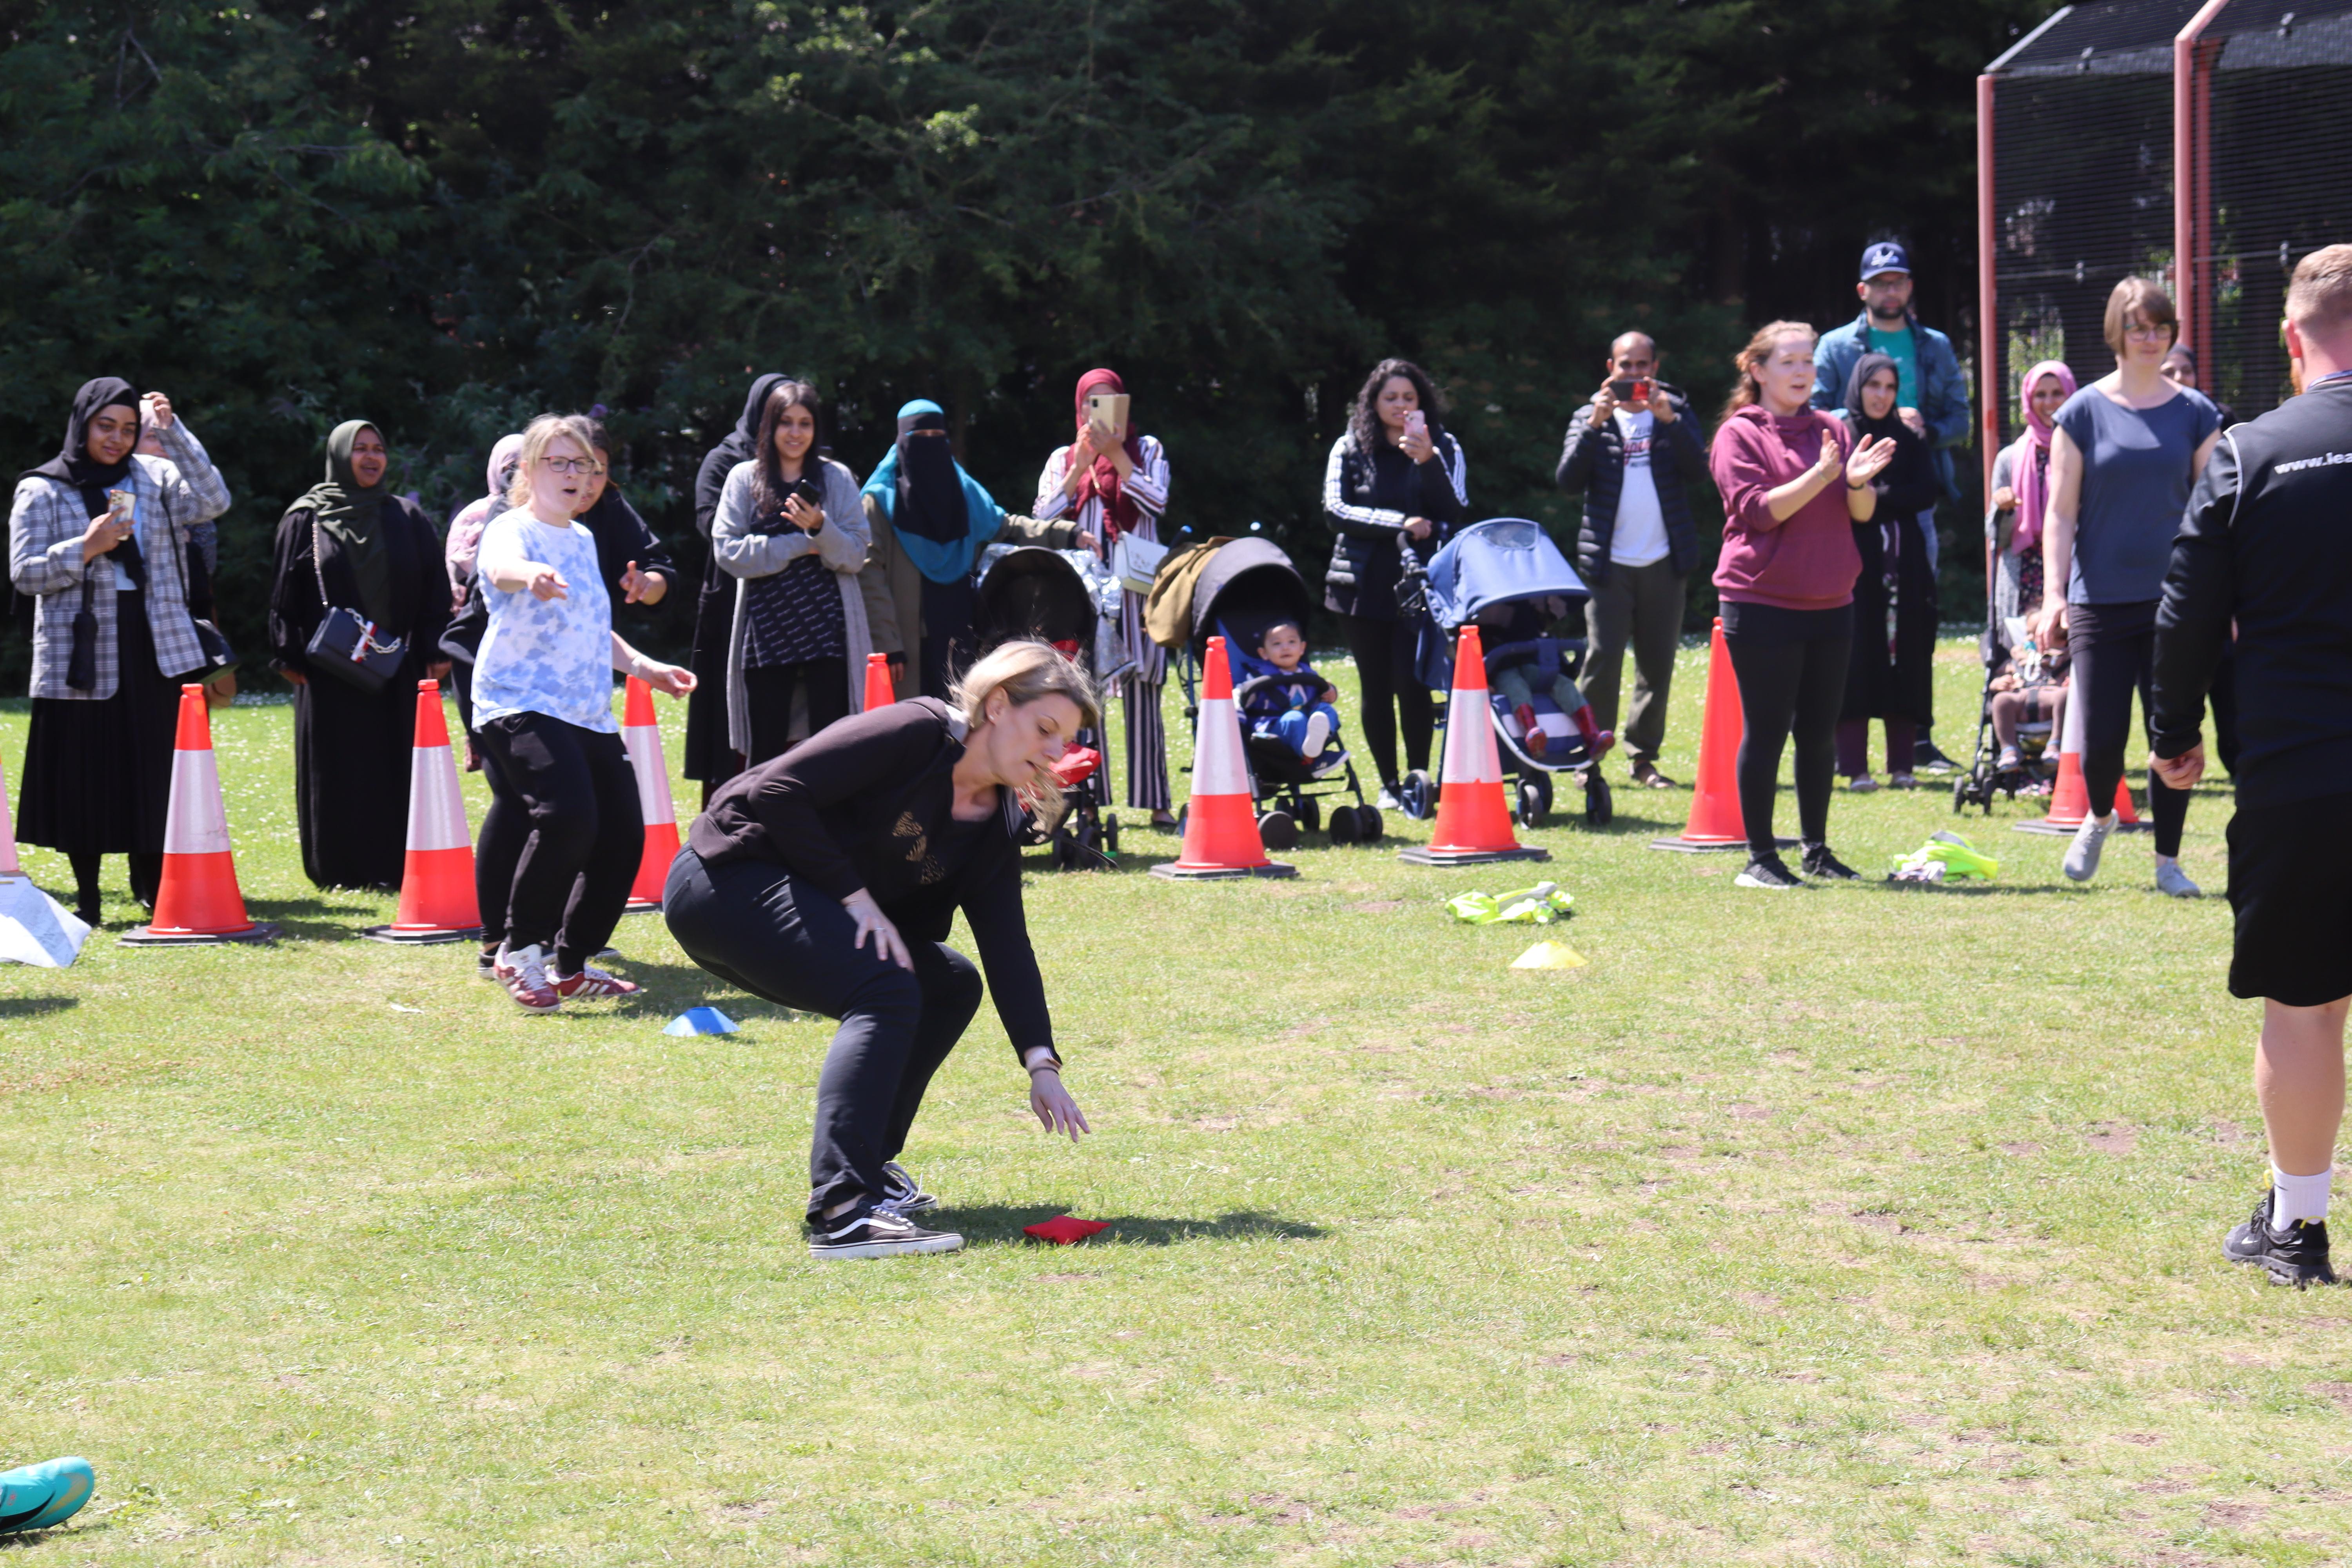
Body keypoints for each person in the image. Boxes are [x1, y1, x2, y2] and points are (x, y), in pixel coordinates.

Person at [663, 639, 1097, 1260]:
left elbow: (1008, 946)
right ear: (999, 706)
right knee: (888, 985)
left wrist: (1041, 1066)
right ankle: (844, 1210)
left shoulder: (996, 823)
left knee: (950, 985)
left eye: (1065, 740)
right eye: (1045, 729)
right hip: (722, 880)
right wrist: (856, 898)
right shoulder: (917, 731)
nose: (1055, 752)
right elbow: (778, 791)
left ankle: (868, 1170)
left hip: (786, 911)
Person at [2149, 243, 2352, 1288]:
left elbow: (2186, 612)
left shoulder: (2249, 454)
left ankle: (2298, 1230)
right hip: (2300, 766)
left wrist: (2172, 735)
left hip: (2302, 770)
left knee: (2304, 1003)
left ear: (2289, 340)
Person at [472, 414, 695, 1012]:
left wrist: (646, 668)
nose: (575, 475)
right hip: (518, 700)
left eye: (585, 465)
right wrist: (530, 574)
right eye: (560, 463)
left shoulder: (584, 539)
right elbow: (498, 570)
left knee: (623, 834)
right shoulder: (511, 527)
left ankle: (571, 965)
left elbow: (593, 626)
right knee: (568, 816)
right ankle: (519, 951)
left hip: (586, 709)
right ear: (529, 469)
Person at [8, 380, 230, 927]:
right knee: (86, 775)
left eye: (129, 429)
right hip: (81, 651)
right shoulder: (41, 488)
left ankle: (154, 891)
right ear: (83, 423)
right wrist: (86, 548)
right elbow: (24, 574)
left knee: (154, 771)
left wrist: (173, 432)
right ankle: (89, 898)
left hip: (157, 643)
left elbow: (213, 501)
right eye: (106, 426)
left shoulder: (153, 477)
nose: (117, 439)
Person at [2032, 277, 2221, 897]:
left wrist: (2223, 594)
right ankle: (2099, 816)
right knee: (2102, 738)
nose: (2151, 338)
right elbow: (2060, 513)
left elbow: (2214, 512)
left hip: (2177, 601)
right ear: (2117, 332)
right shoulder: (2081, 412)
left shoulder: (2196, 413)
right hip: (2099, 601)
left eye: (2161, 327)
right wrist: (2055, 594)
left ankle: (2169, 862)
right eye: (2139, 327)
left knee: (2173, 733)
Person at [1709, 323, 1896, 890]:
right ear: (1758, 371)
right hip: (1760, 602)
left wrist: (1857, 483)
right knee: (1768, 730)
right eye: (1788, 362)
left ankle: (1816, 850)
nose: (1801, 372)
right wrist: (1822, 475)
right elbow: (1760, 513)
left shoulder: (1831, 429)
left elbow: (1861, 514)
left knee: (1819, 733)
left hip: (1832, 600)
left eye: (1808, 361)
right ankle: (1761, 859)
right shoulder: (1739, 435)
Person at [266, 420, 453, 890]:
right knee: (338, 767)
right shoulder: (306, 518)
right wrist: (288, 654)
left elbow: (434, 587)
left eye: (379, 449)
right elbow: (285, 594)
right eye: (360, 449)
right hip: (329, 668)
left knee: (395, 764)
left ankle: (397, 866)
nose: (371, 457)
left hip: (396, 663)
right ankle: (340, 870)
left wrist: (436, 646)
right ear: (338, 456)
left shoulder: (407, 517)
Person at [1813, 240, 1973, 773]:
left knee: (1915, 618)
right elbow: (1813, 413)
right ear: (1863, 290)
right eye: (1881, 282)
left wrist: (1922, 429)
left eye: (1899, 281)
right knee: (1854, 621)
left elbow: (1960, 418)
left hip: (1914, 505)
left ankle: (1916, 744)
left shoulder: (1935, 345)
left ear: (1910, 287)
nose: (1890, 290)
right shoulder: (1837, 346)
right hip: (1845, 504)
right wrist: (1868, 417)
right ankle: (1847, 750)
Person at [1555, 330, 1707, 789]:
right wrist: (1594, 425)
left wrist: (1670, 422)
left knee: (1656, 666)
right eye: (1626, 365)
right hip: (1609, 564)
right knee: (1602, 661)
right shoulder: (1590, 416)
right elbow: (1567, 481)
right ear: (1611, 369)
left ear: (1655, 369)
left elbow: (1699, 472)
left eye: (1643, 365)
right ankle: (1588, 757)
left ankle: (1643, 758)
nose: (1635, 374)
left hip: (1664, 560)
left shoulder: (1675, 413)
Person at [1031, 369, 1176, 824]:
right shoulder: (1062, 458)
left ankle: (1156, 801)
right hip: (1084, 591)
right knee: (1084, 692)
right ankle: (1088, 801)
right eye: (1090, 401)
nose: (1098, 410)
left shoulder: (1147, 449)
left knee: (1144, 687)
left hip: (1138, 589)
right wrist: (1081, 465)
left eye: (1109, 399)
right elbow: (1041, 518)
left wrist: (1117, 455)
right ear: (1079, 409)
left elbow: (1157, 502)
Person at [1323, 358, 1467, 809]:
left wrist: (1428, 461)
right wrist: (1398, 523)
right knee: (1377, 686)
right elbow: (1335, 510)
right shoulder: (1349, 445)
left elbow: (1456, 509)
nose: (1400, 405)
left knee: (1414, 682)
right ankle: (1388, 783)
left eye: (1409, 397)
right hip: (1360, 585)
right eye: (1391, 398)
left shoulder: (1443, 445)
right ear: (1373, 402)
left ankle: (1417, 782)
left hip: (1421, 585)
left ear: (1422, 402)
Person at [711, 379, 873, 764]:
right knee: (765, 755)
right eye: (786, 422)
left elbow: (856, 554)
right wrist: (803, 543)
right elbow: (728, 552)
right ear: (769, 426)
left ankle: (829, 807)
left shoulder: (836, 478)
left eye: (805, 423)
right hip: (766, 636)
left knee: (832, 752)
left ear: (817, 429)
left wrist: (821, 526)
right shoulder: (744, 478)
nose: (795, 433)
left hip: (829, 635)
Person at [1833, 353, 1944, 791]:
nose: (1881, 396)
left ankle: (1902, 765)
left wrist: (1872, 496)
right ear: (1857, 387)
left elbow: (1926, 492)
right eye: (1873, 386)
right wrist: (1882, 496)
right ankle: (1854, 767)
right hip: (1853, 565)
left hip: (1904, 564)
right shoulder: (1842, 436)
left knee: (1907, 655)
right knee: (1855, 655)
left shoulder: (1908, 439)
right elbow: (1838, 495)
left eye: (1890, 387)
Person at [860, 400, 1005, 702]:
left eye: (936, 436)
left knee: (959, 720)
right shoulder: (880, 501)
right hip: (908, 648)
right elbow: (870, 576)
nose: (929, 444)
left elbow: (1005, 526)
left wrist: (1069, 534)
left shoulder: (963, 493)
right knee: (911, 723)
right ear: (901, 441)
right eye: (919, 437)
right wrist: (888, 645)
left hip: (960, 635)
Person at [687, 374, 788, 802]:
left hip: (790, 607)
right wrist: (775, 529)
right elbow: (710, 523)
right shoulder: (725, 460)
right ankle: (724, 808)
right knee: (726, 715)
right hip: (732, 601)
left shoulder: (803, 464)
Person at [1987, 362, 2079, 787]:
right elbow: (1997, 536)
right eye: (2040, 395)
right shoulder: (2010, 458)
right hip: (2022, 577)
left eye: (2057, 393)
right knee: (2020, 656)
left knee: (2069, 657)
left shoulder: (2082, 449)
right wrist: (2005, 509)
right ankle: (2016, 759)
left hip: (2069, 572)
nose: (2048, 403)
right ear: (2027, 400)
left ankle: (2070, 755)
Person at [1240, 619, 1343, 769]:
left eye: (1292, 642)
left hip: (1309, 722)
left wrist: (1330, 691)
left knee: (1327, 710)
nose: (1285, 648)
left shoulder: (1308, 674)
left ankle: (1318, 740)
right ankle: (1312, 760)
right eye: (1277, 644)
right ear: (1264, 653)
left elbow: (1322, 693)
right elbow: (1240, 698)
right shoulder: (1257, 676)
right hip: (1275, 729)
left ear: (1302, 648)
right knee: (1295, 718)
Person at [2162, 343, 2236, 428]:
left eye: (2187, 371)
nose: (2179, 378)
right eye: (2169, 373)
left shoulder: (2219, 415)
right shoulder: (2150, 416)